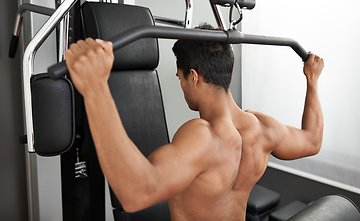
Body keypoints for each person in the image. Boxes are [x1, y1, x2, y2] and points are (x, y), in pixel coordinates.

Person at [65, 24, 324, 221]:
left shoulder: (203, 136)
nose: (181, 86)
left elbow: (135, 194)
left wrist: (95, 87)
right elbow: (312, 141)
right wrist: (312, 81)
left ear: (194, 76)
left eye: (180, 78)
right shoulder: (263, 128)